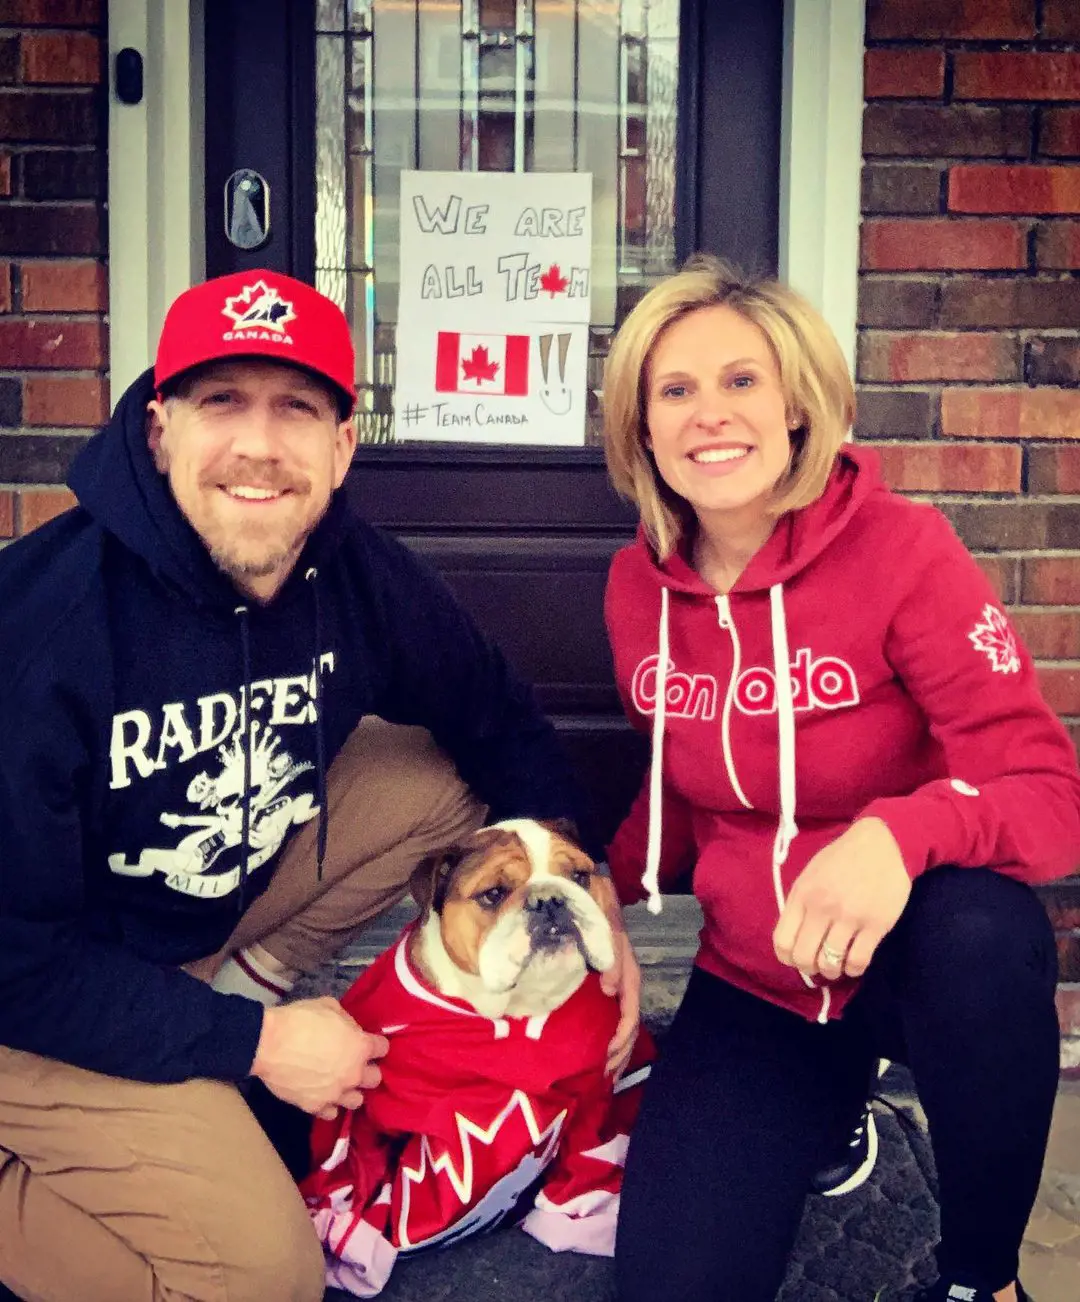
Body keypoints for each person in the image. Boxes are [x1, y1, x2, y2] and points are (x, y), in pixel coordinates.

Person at [0, 268, 638, 1302]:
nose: (259, 445)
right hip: (32, 993)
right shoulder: (41, 631)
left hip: (168, 929)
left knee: (447, 787)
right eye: (223, 402)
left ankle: (226, 982)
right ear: (159, 429)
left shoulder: (351, 573)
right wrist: (255, 1046)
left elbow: (497, 714)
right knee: (263, 1277)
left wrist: (589, 892)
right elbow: (17, 963)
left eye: (295, 408)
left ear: (342, 447)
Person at [600, 254, 1080, 1302]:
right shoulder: (638, 583)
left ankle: (982, 1279)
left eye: (742, 382)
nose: (708, 415)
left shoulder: (905, 551)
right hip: (756, 978)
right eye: (673, 391)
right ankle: (826, 1107)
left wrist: (897, 837)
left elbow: (1051, 792)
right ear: (640, 428)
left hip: (908, 964)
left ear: (801, 408)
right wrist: (597, 892)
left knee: (988, 935)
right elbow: (676, 787)